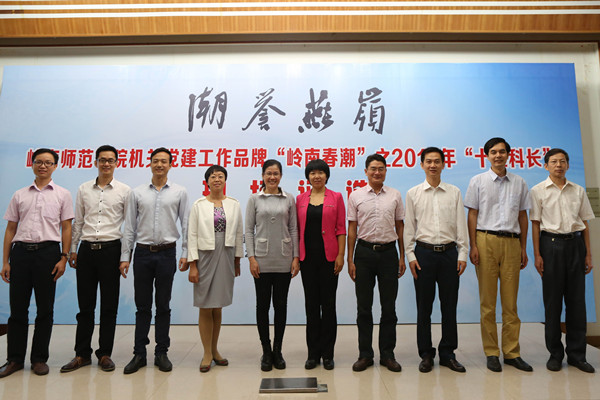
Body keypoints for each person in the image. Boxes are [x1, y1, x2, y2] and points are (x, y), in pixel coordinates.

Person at [0, 148, 74, 378]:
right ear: (32, 164)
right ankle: (14, 359)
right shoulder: (19, 194)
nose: (43, 166)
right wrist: (5, 261)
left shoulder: (63, 194)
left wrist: (64, 257)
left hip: (48, 254)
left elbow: (67, 228)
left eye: (48, 162)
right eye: (39, 162)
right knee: (17, 310)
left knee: (45, 309)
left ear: (55, 166)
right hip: (21, 254)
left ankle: (39, 359)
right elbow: (10, 229)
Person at [59, 145, 130, 374]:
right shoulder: (83, 189)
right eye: (102, 160)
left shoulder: (124, 191)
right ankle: (82, 354)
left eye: (110, 160)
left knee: (109, 306)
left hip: (111, 250)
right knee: (85, 306)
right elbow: (78, 222)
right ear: (96, 162)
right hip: (87, 251)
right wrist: (72, 250)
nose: (106, 164)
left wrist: (125, 256)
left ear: (117, 163)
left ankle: (105, 354)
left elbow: (129, 227)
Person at [464, 137, 532, 372]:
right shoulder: (478, 181)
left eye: (502, 152)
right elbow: (472, 214)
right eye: (493, 152)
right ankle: (492, 352)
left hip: (512, 242)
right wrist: (473, 245)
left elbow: (522, 216)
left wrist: (523, 247)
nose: (498, 156)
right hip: (485, 241)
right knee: (488, 303)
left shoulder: (519, 182)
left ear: (508, 155)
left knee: (511, 303)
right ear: (487, 155)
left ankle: (512, 352)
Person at [119, 147, 189, 374]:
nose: (159, 165)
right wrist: (125, 256)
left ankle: (161, 352)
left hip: (167, 253)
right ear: (150, 163)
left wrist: (185, 253)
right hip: (142, 254)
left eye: (164, 161)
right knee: (142, 306)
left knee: (163, 305)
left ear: (170, 165)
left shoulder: (179, 192)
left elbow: (186, 224)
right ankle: (139, 353)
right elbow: (129, 226)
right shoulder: (137, 193)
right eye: (156, 161)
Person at [530, 148, 595, 373]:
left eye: (563, 161)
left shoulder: (578, 190)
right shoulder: (538, 190)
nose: (559, 165)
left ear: (567, 165)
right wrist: (537, 254)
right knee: (553, 302)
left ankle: (577, 355)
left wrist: (588, 254)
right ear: (545, 165)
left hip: (576, 245)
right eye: (554, 162)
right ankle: (555, 354)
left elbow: (585, 223)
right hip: (551, 246)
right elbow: (535, 224)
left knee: (577, 302)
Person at [404, 147, 468, 373]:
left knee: (449, 306)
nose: (433, 165)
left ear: (443, 164)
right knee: (424, 307)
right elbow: (409, 227)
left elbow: (461, 224)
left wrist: (462, 253)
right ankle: (426, 353)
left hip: (450, 254)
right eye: (428, 161)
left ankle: (448, 353)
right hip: (423, 254)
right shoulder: (413, 193)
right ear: (421, 164)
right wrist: (410, 256)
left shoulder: (454, 192)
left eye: (437, 161)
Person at [347, 153, 405, 372]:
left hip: (389, 253)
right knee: (364, 307)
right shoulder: (356, 195)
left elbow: (400, 226)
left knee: (389, 307)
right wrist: (350, 259)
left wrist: (402, 256)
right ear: (366, 171)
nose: (377, 172)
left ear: (386, 171)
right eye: (373, 168)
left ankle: (388, 354)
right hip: (363, 253)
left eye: (381, 168)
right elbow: (352, 228)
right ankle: (365, 354)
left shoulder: (395, 195)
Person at [187, 165, 243, 373]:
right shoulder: (199, 205)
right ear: (207, 181)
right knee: (205, 305)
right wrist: (193, 265)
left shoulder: (234, 204)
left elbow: (238, 233)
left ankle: (215, 350)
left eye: (220, 176)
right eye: (213, 176)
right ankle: (206, 353)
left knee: (218, 306)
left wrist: (237, 261)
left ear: (225, 180)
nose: (217, 179)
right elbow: (192, 234)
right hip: (205, 255)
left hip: (226, 254)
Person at [245, 159, 299, 371]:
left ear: (281, 176)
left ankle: (278, 350)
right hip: (261, 260)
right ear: (263, 175)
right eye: (268, 173)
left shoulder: (289, 198)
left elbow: (293, 229)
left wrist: (295, 257)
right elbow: (248, 230)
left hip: (284, 259)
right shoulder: (254, 199)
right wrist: (251, 258)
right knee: (262, 306)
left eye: (276, 173)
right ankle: (266, 351)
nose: (272, 177)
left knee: (281, 306)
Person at [296, 159, 346, 370]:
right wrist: (296, 258)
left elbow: (341, 229)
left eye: (320, 172)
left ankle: (328, 354)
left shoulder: (336, 197)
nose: (316, 176)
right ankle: (313, 354)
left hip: (329, 259)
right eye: (312, 173)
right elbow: (296, 230)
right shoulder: (300, 199)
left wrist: (341, 255)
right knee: (311, 306)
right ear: (307, 177)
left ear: (326, 175)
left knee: (328, 305)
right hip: (307, 260)